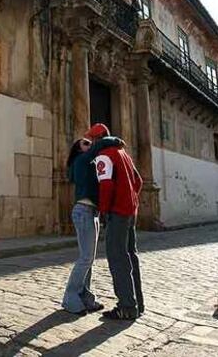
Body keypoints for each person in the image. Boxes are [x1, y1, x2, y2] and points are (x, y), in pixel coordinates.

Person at [85, 123, 144, 321]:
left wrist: (103, 211)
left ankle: (127, 306)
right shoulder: (123, 153)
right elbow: (138, 181)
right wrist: (131, 199)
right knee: (131, 256)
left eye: (92, 140)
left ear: (96, 140)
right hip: (130, 211)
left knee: (117, 258)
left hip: (117, 213)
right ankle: (138, 303)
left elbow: (106, 186)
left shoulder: (103, 156)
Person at [62, 131, 123, 316]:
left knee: (88, 258)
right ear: (79, 149)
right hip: (84, 211)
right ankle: (70, 297)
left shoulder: (88, 163)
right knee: (85, 258)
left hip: (91, 212)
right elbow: (98, 146)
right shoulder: (81, 159)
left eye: (90, 143)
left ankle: (85, 297)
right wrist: (114, 140)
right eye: (86, 143)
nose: (90, 144)